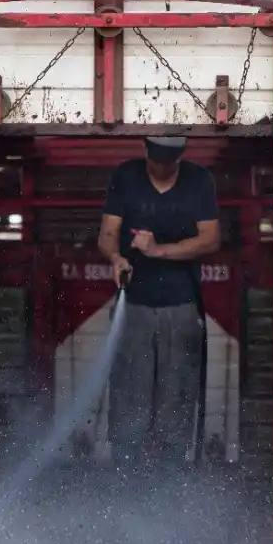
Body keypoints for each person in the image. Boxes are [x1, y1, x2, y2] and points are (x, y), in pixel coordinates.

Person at [97, 136, 220, 475]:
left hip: (181, 304)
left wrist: (158, 251)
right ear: (144, 152)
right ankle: (124, 470)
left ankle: (171, 472)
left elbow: (210, 238)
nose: (162, 169)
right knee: (128, 390)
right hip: (133, 303)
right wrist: (116, 257)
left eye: (169, 163)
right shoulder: (126, 176)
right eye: (156, 162)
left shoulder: (199, 181)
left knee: (177, 392)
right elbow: (108, 233)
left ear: (180, 158)